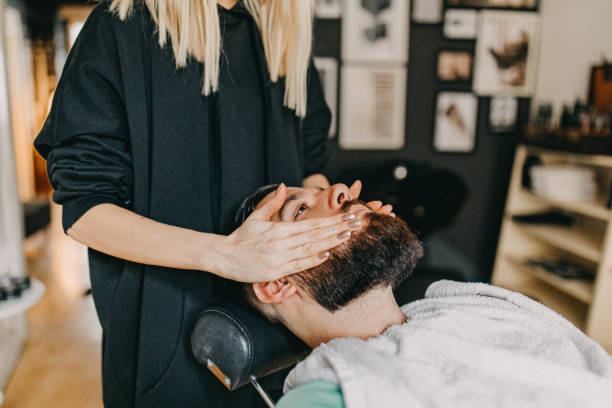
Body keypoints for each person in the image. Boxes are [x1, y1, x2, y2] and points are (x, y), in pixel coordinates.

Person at [33, 1, 392, 406]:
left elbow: (310, 166)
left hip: (284, 335)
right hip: (168, 346)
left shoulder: (284, 36)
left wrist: (339, 226)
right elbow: (86, 212)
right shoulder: (120, 29)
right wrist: (224, 255)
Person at [234, 184, 612, 408]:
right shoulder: (337, 393)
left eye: (327, 190)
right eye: (300, 209)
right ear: (276, 284)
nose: (341, 190)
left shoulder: (469, 310)